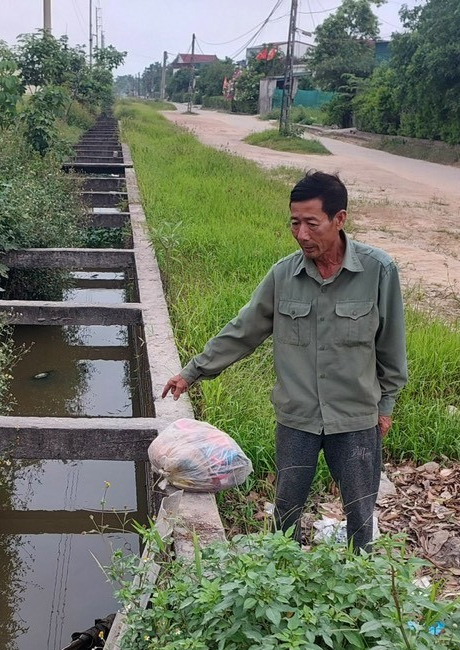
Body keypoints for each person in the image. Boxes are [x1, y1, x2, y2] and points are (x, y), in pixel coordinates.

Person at [162, 171, 407, 552]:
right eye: (295, 223)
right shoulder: (283, 275)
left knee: (361, 512)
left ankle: (362, 581)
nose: (302, 234)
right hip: (297, 419)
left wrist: (386, 405)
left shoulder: (379, 271)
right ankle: (278, 573)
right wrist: (193, 371)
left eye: (312, 223)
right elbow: (244, 330)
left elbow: (391, 347)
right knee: (286, 510)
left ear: (339, 219)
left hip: (357, 417)